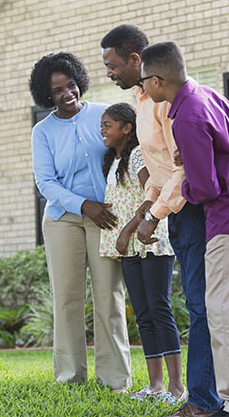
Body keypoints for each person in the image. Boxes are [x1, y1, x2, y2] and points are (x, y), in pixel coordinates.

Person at [140, 41, 229, 417]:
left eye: (144, 82)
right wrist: (204, 156)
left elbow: (204, 190)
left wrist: (183, 170)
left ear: (157, 80)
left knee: (222, 311)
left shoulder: (183, 117)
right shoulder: (208, 95)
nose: (143, 90)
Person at [101, 25, 222, 416]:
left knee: (202, 307)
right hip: (173, 212)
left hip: (191, 209)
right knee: (196, 305)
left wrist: (151, 216)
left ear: (137, 61)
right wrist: (147, 214)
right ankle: (209, 397)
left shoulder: (168, 101)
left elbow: (183, 169)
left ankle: (202, 400)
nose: (108, 72)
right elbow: (161, 169)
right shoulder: (142, 100)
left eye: (113, 65)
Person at [29, 52, 131, 391]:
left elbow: (127, 155)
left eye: (70, 85)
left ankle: (115, 378)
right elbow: (45, 184)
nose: (66, 93)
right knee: (68, 297)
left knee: (109, 296)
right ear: (47, 95)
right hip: (63, 220)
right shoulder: (42, 132)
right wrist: (84, 205)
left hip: (107, 217)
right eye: (57, 90)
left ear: (79, 82)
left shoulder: (104, 113)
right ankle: (70, 377)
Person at [98, 103, 185, 404]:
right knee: (144, 315)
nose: (103, 130)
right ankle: (156, 386)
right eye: (102, 125)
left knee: (159, 308)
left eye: (108, 124)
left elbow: (153, 193)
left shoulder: (136, 155)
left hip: (151, 241)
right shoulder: (113, 159)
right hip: (130, 249)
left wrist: (128, 230)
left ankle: (176, 387)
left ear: (127, 128)